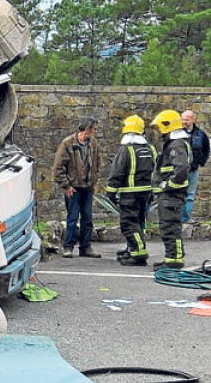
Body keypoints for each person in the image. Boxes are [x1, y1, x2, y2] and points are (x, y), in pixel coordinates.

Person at [106, 115, 156, 266]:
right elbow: (156, 171)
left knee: (129, 223)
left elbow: (117, 172)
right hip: (146, 192)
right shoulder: (150, 149)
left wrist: (111, 192)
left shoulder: (126, 150)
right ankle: (132, 248)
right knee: (139, 222)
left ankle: (139, 254)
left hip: (130, 194)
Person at [52, 117, 101, 258]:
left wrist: (94, 181)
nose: (96, 132)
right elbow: (58, 167)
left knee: (88, 218)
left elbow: (97, 163)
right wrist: (66, 186)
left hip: (88, 187)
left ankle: (86, 247)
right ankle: (68, 247)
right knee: (72, 218)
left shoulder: (93, 143)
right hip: (73, 188)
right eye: (94, 129)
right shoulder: (67, 143)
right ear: (87, 129)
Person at [150, 110, 192, 270]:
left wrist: (168, 185)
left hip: (172, 194)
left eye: (160, 127)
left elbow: (181, 169)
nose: (158, 131)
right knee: (167, 226)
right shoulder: (173, 143)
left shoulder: (176, 145)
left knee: (171, 226)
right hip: (170, 194)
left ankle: (174, 259)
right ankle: (171, 257)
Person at [180, 110, 209, 223]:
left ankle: (185, 218)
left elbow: (206, 149)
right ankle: (177, 218)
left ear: (193, 119)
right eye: (182, 119)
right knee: (178, 195)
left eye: (186, 119)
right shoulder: (177, 133)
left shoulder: (201, 134)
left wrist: (201, 162)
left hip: (193, 170)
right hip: (180, 170)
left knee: (190, 195)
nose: (184, 122)